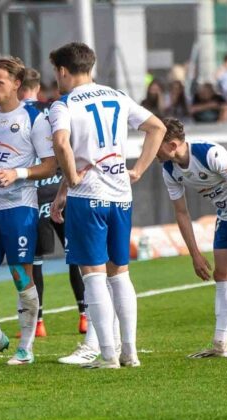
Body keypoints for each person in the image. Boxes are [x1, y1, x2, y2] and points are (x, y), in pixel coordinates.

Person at [48, 42, 166, 369]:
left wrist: (71, 179)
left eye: (55, 72)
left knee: (93, 275)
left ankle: (108, 355)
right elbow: (157, 127)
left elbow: (61, 143)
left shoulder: (64, 104)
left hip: (88, 198)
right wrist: (139, 169)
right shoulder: (116, 95)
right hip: (120, 194)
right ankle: (130, 352)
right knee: (120, 274)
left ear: (63, 71)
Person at [0, 58, 57, 366]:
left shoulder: (34, 117)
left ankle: (26, 347)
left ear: (16, 84)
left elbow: (50, 165)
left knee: (21, 275)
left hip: (19, 208)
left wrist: (17, 174)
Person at [156, 118, 227, 358]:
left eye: (156, 144)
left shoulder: (209, 153)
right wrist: (195, 254)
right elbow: (181, 212)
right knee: (222, 275)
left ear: (173, 144)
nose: (151, 150)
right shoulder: (169, 169)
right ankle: (220, 344)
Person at [18, 67, 88, 338]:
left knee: (34, 262)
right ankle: (84, 316)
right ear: (38, 87)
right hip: (61, 190)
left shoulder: (15, 114)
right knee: (76, 257)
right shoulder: (55, 108)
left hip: (31, 195)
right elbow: (66, 144)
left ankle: (38, 323)